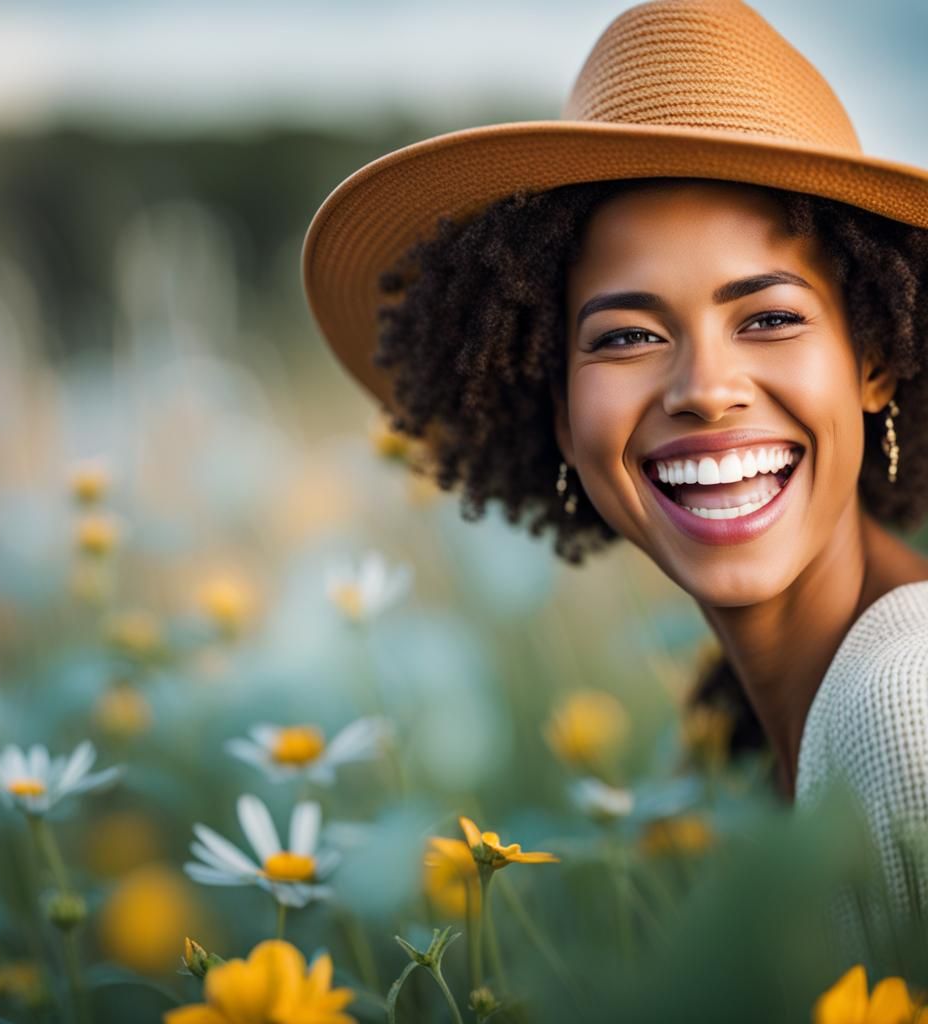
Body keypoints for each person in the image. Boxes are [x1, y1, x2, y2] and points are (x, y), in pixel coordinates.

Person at [301, 0, 928, 914]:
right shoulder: (744, 738)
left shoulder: (902, 705)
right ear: (558, 411)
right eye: (627, 336)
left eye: (770, 318)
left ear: (874, 361)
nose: (705, 389)